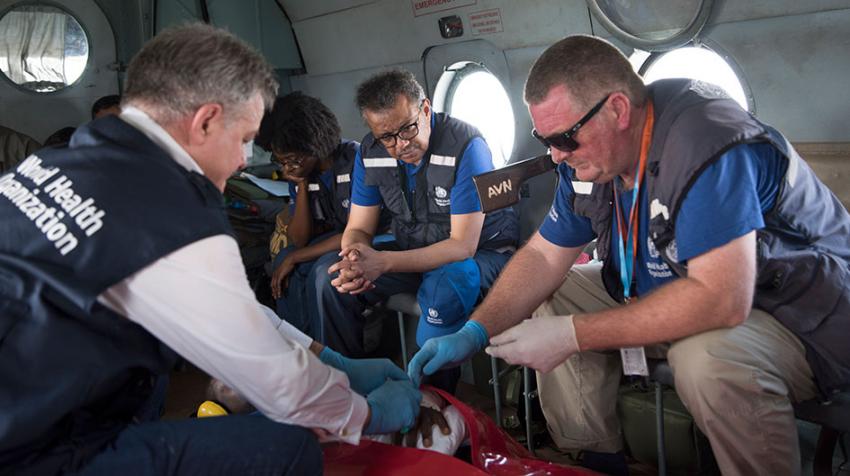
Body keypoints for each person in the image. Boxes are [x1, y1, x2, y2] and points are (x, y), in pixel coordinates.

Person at [408, 35, 850, 474]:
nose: (558, 156)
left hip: (796, 316)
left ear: (618, 109)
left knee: (706, 361)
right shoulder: (587, 163)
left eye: (565, 138)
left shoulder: (706, 141)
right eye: (546, 140)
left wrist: (572, 336)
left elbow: (721, 299)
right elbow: (544, 257)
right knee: (555, 292)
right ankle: (596, 459)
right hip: (675, 289)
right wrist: (475, 331)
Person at [0, 24, 421, 475]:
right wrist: (367, 414)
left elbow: (227, 310)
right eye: (242, 138)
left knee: (148, 375)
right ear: (204, 121)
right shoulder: (175, 213)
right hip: (30, 450)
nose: (243, 160)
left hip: (23, 399)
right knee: (287, 448)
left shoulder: (48, 165)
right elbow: (279, 385)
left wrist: (329, 360)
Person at [314, 69, 519, 393]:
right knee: (330, 279)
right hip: (415, 249)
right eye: (388, 137)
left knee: (447, 285)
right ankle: (347, 392)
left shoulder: (466, 145)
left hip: (481, 255)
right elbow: (357, 227)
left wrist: (382, 263)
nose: (401, 144)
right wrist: (356, 257)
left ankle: (433, 404)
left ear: (425, 110)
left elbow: (461, 246)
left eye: (408, 128)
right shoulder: (370, 153)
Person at [264, 92, 384, 341]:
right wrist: (301, 186)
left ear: (314, 146)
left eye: (293, 159)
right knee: (284, 259)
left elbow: (356, 232)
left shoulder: (355, 160)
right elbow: (298, 239)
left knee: (322, 271)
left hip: (371, 239)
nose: (288, 167)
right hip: (333, 240)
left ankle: (329, 357)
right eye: (281, 161)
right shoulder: (302, 173)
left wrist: (297, 256)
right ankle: (298, 347)